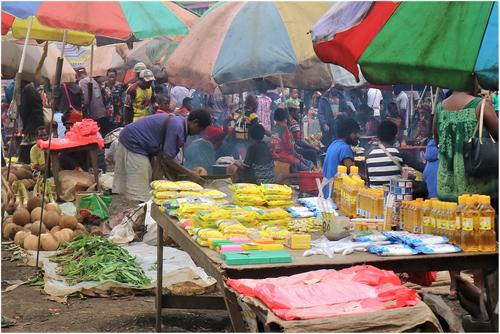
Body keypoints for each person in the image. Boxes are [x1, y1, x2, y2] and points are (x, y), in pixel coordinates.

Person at [112, 109, 212, 202]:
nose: (199, 133)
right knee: (142, 187)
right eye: (200, 129)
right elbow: (167, 158)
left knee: (150, 182)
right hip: (134, 142)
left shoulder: (181, 123)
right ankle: (142, 212)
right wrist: (190, 173)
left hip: (141, 144)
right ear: (195, 122)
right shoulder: (178, 127)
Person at [432, 90, 498, 202]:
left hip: (446, 188)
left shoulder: (439, 109)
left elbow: (437, 141)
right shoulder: (481, 106)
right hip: (479, 194)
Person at [322, 117, 360, 196]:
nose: (358, 136)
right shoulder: (345, 148)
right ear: (347, 133)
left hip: (326, 192)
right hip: (335, 194)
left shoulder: (333, 144)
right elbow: (352, 171)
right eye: (355, 133)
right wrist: (366, 178)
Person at [271, 108, 313, 172]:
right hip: (286, 156)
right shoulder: (284, 127)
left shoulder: (274, 127)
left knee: (306, 162)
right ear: (284, 116)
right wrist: (298, 156)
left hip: (276, 155)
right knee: (309, 166)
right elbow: (290, 147)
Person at [365, 121, 403, 187]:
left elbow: (368, 179)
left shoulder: (369, 154)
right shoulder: (398, 152)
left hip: (374, 195)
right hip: (393, 195)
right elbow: (419, 166)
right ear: (394, 136)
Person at [76, 68, 110, 137]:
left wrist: (81, 109)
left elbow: (85, 100)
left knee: (95, 136)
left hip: (93, 114)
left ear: (77, 75)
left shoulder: (82, 82)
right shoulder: (93, 80)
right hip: (101, 112)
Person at [18, 79, 44, 164]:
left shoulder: (29, 91)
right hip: (29, 126)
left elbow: (37, 110)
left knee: (30, 151)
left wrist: (40, 126)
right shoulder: (25, 91)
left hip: (33, 127)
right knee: (29, 151)